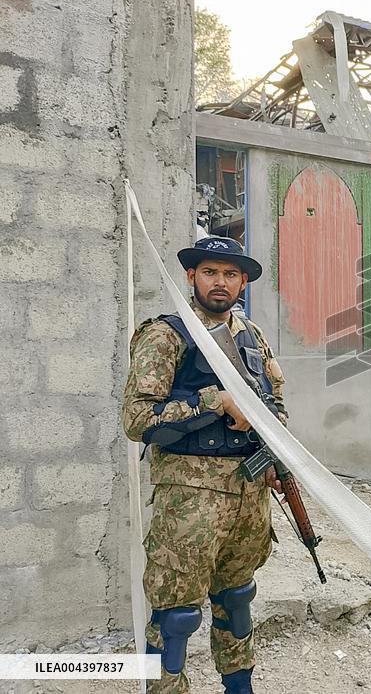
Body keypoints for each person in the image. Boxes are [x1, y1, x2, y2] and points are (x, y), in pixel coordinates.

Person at [123, 236, 287, 694]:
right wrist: (215, 401)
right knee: (175, 615)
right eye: (210, 272)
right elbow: (137, 419)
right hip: (189, 500)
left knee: (236, 599)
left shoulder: (251, 336)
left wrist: (275, 456)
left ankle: (239, 686)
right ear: (191, 276)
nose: (221, 282)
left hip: (249, 494)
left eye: (231, 274)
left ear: (243, 282)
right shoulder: (166, 335)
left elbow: (276, 403)